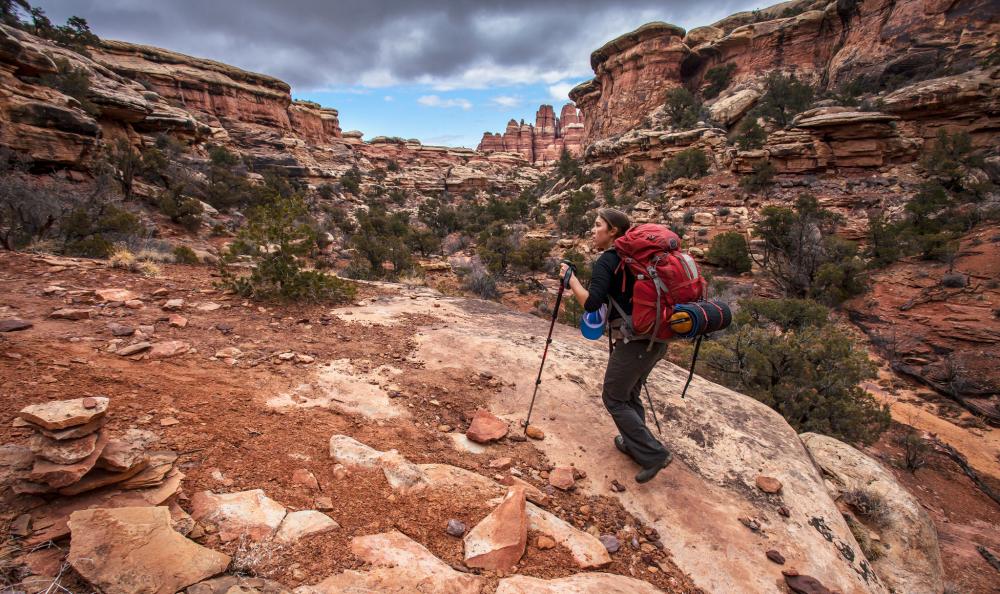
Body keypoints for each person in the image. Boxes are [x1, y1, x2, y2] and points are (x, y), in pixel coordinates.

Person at [560, 208, 672, 483]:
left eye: (598, 225)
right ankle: (636, 446)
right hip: (659, 335)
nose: (593, 230)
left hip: (635, 341)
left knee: (614, 396)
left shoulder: (609, 260)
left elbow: (591, 303)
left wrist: (570, 279)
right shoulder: (639, 259)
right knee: (630, 394)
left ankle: (654, 454)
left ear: (613, 232)